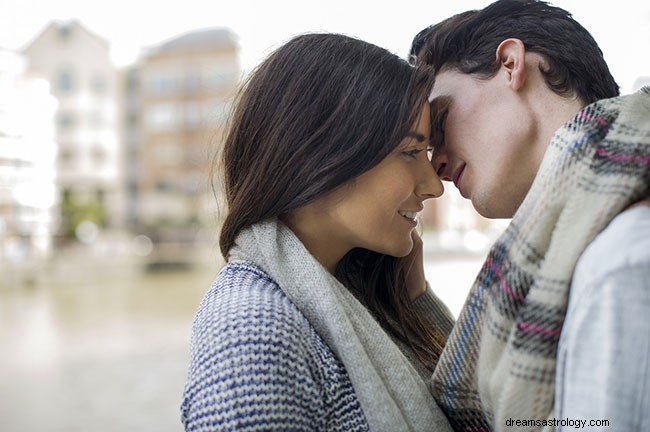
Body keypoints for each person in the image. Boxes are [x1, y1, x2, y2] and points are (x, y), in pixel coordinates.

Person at [181, 33, 455, 432]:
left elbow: (481, 415)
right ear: (322, 154)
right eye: (411, 152)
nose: (434, 185)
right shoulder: (251, 334)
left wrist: (416, 300)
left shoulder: (356, 296)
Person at [410, 0, 650, 431]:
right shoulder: (571, 255)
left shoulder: (623, 259)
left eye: (441, 124)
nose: (436, 167)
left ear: (510, 63)